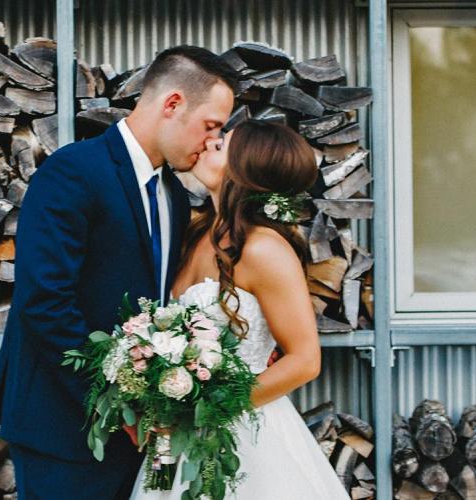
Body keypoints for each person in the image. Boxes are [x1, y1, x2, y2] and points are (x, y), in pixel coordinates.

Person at [0, 45, 237, 499]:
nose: (211, 141)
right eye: (211, 125)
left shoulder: (175, 197)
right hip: (64, 425)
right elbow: (44, 302)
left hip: (141, 428)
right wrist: (117, 407)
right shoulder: (73, 171)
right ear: (173, 104)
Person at [130, 120, 349, 499]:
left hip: (246, 438)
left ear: (245, 169)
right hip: (177, 440)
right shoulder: (198, 233)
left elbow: (305, 360)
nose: (210, 142)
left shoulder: (264, 249)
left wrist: (206, 410)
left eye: (223, 145)